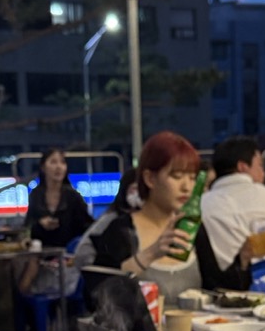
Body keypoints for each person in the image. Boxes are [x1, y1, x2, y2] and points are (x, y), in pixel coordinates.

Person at [78, 131, 252, 308]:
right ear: (150, 179)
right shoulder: (121, 230)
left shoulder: (192, 228)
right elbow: (96, 296)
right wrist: (151, 254)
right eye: (176, 176)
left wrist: (243, 260)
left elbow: (217, 288)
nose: (186, 187)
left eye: (192, 178)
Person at [200, 135, 265, 266]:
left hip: (222, 283)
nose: (264, 173)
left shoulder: (203, 204)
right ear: (242, 167)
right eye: (260, 166)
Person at [17, 149, 92, 296]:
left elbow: (87, 226)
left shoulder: (73, 197)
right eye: (53, 162)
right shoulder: (36, 195)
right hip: (42, 250)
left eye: (62, 162)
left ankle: (22, 297)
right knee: (18, 264)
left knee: (32, 264)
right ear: (43, 167)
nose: (59, 167)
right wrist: (40, 224)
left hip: (67, 254)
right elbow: (28, 227)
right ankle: (22, 304)